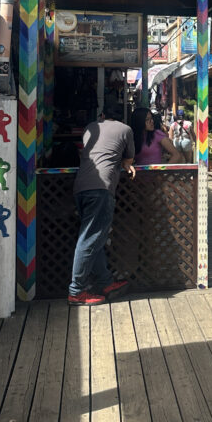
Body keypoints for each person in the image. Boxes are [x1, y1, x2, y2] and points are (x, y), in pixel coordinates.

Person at [68, 100, 135, 306]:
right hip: (102, 187)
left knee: (93, 238)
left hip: (81, 187)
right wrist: (125, 165)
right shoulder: (125, 129)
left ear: (103, 115)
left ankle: (105, 282)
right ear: (122, 117)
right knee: (89, 239)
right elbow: (129, 159)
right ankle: (76, 291)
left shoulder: (90, 127)